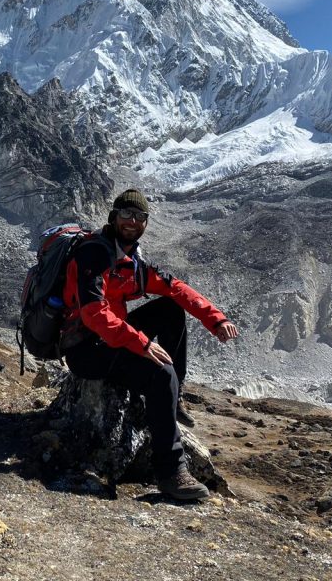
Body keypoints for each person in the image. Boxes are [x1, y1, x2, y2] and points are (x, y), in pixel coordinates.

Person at [60, 188, 239, 500]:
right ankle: (171, 473)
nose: (132, 221)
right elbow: (92, 314)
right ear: (113, 217)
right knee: (161, 372)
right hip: (85, 349)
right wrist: (141, 343)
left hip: (111, 338)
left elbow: (176, 288)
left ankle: (174, 396)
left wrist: (216, 319)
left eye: (139, 216)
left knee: (171, 309)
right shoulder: (93, 254)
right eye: (126, 215)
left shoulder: (131, 261)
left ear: (145, 222)